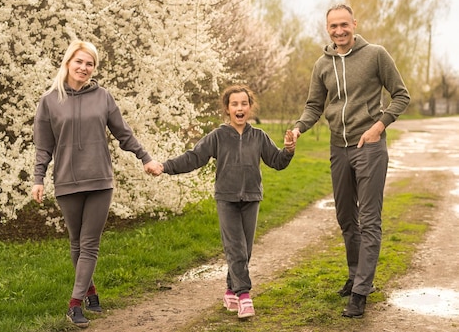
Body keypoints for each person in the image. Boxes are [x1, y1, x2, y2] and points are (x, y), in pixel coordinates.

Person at [31, 40, 161, 328]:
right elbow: (43, 147)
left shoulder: (103, 97)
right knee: (76, 243)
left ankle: (74, 304)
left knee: (89, 244)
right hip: (66, 182)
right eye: (79, 61)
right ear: (68, 63)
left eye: (89, 63)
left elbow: (123, 133)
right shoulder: (49, 101)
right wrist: (38, 178)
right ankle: (90, 291)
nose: (84, 68)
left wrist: (146, 158)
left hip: (100, 180)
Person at [291, 4, 411, 318]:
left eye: (345, 25)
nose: (340, 31)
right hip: (338, 147)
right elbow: (314, 106)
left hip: (369, 145)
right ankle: (356, 274)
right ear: (327, 29)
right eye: (334, 26)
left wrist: (379, 126)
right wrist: (298, 128)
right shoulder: (322, 64)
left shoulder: (376, 55)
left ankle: (360, 292)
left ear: (354, 24)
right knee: (346, 217)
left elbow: (401, 95)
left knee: (369, 220)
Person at [151, 84, 296, 319]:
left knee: (245, 250)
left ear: (250, 107)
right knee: (235, 247)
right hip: (226, 199)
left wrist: (288, 150)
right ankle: (244, 295)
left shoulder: (259, 136)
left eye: (244, 104)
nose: (240, 108)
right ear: (227, 109)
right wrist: (165, 166)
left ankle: (230, 289)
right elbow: (194, 157)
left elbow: (277, 161)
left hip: (251, 198)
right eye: (234, 104)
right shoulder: (218, 136)